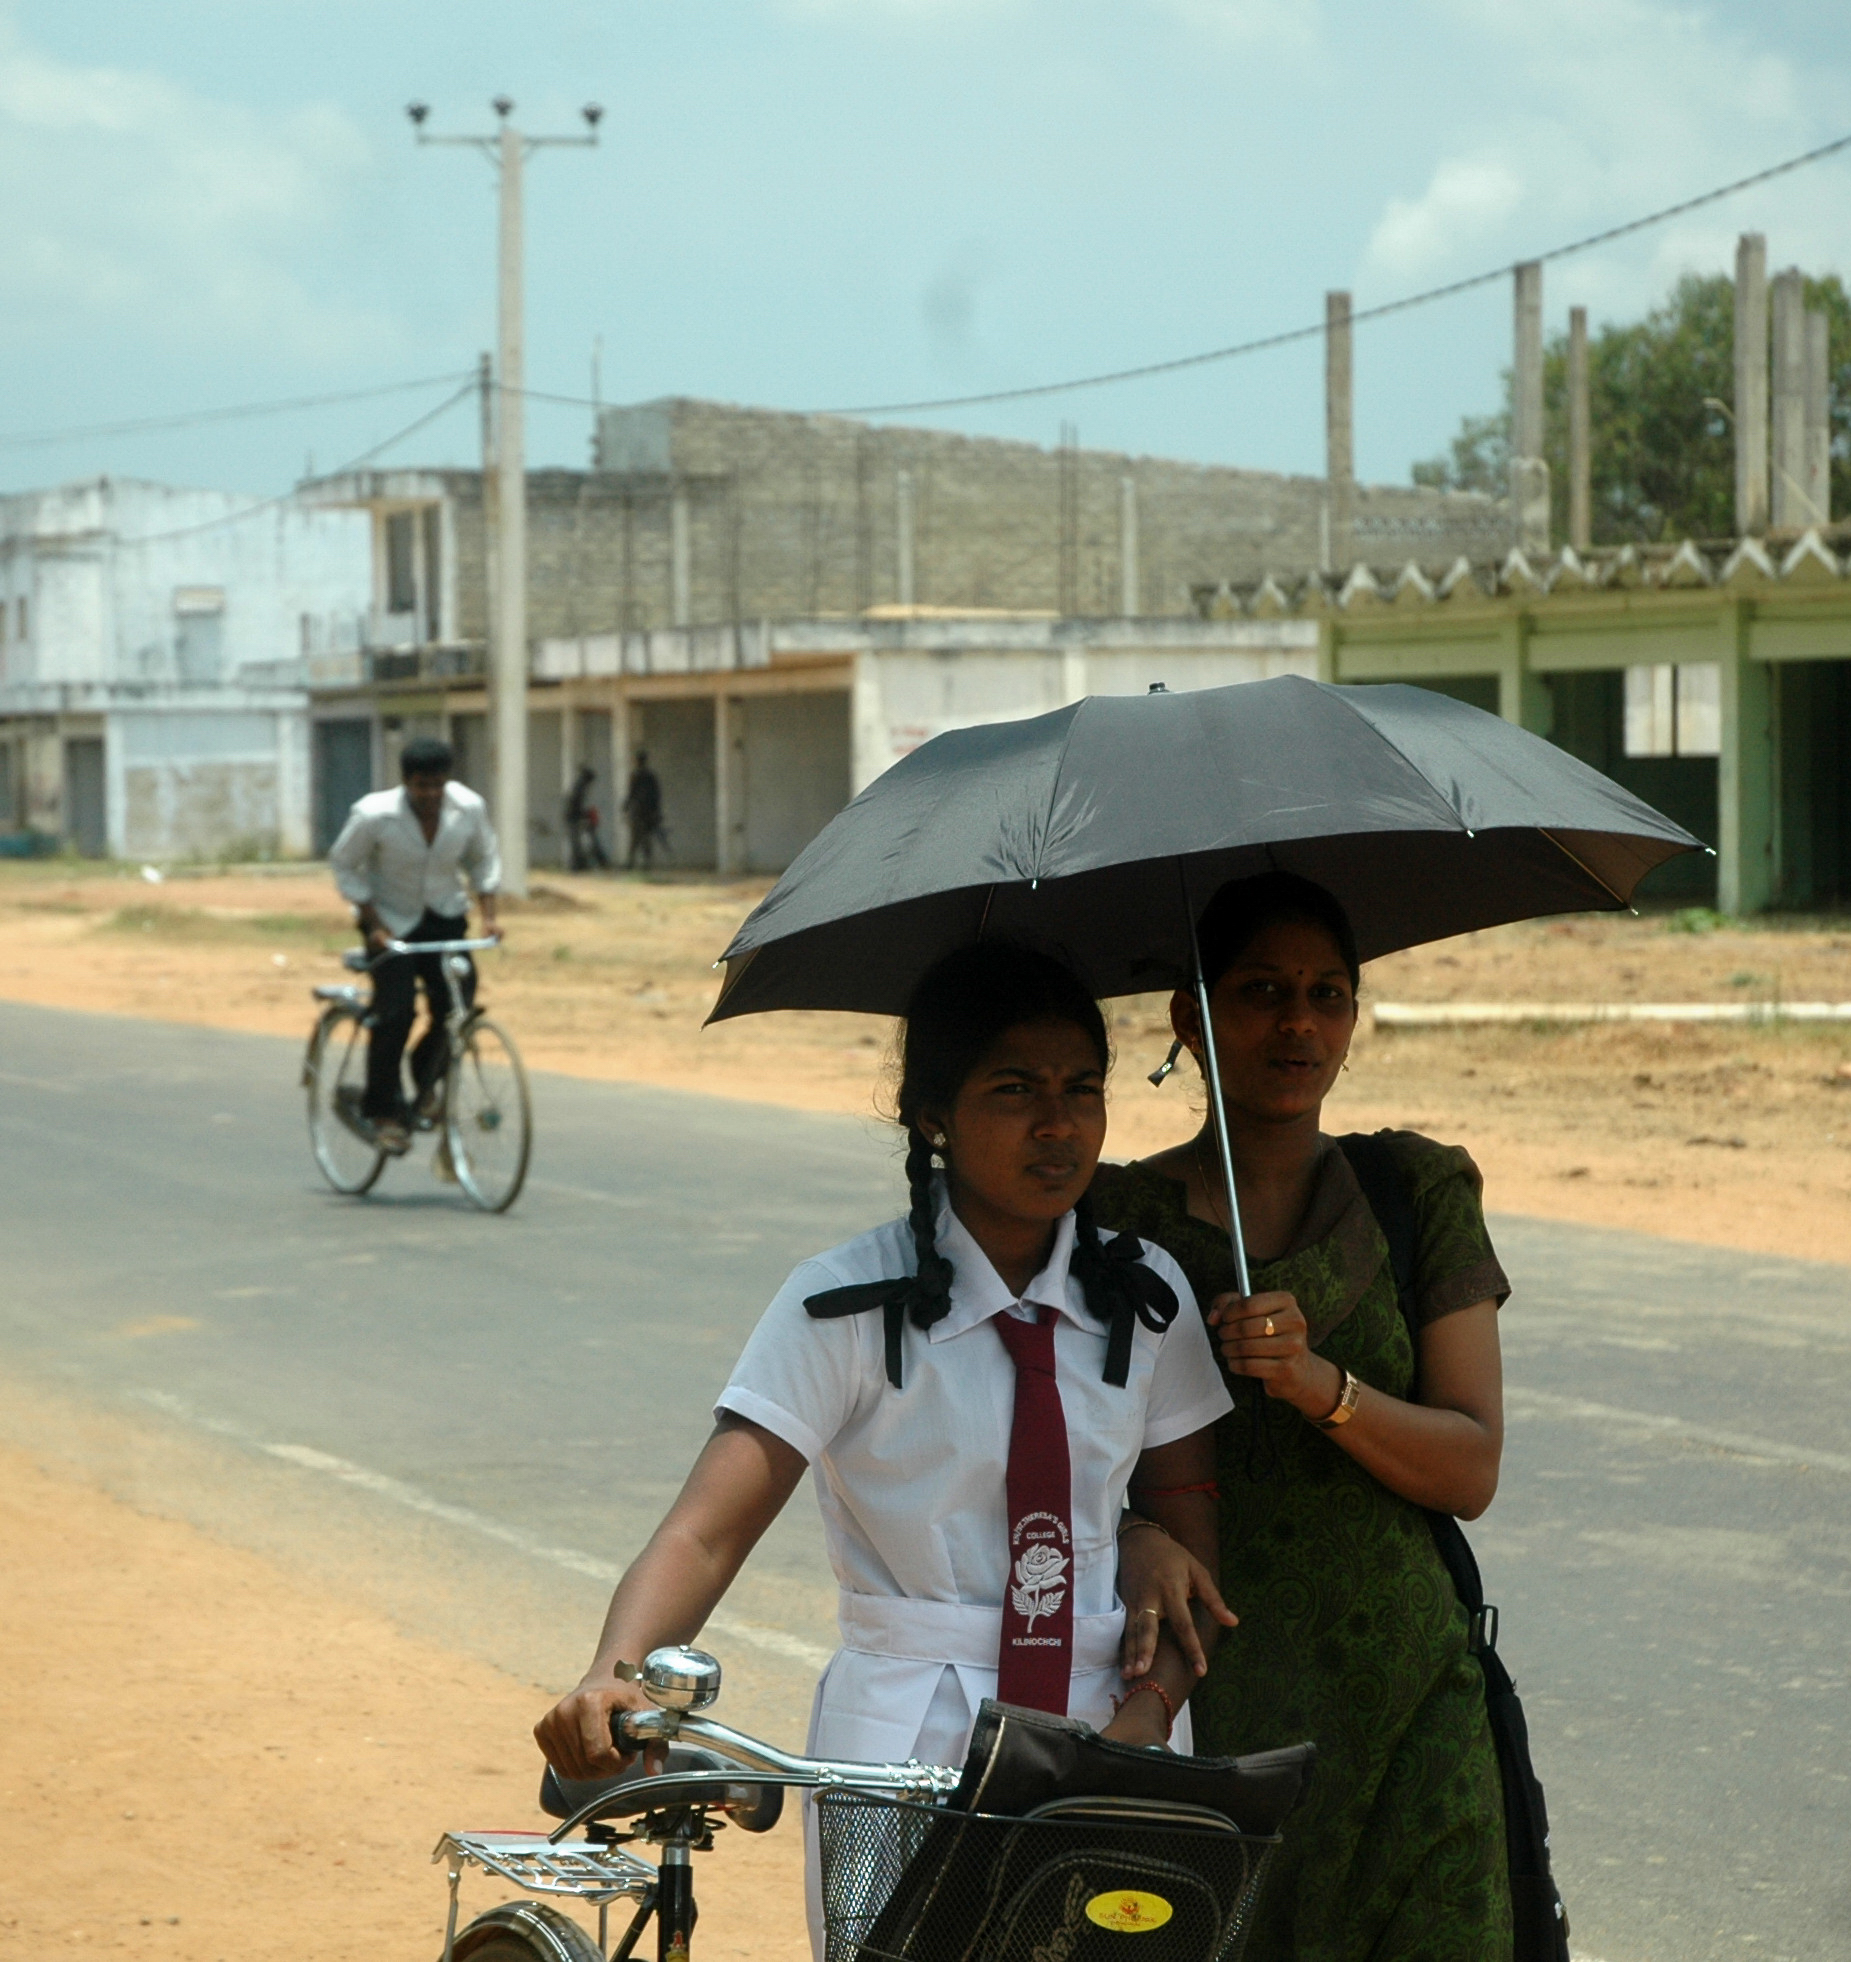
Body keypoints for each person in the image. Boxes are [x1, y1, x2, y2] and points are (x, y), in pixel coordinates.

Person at [533, 943, 1234, 1952]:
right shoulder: (846, 1305)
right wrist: (616, 1670)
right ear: (932, 1115)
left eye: (1084, 1089)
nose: (1059, 1123)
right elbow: (703, 1534)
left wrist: (1144, 1717)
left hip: (1114, 1727)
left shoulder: (1143, 1297)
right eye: (1015, 1089)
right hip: (909, 1738)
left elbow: (1189, 1551)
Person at [1095, 871, 1513, 1962]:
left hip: (1407, 1711)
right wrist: (1135, 1534)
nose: (1297, 1023)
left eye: (1327, 994)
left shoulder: (1413, 1194)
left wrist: (1321, 1387)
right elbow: (1058, 1457)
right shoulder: (1110, 1222)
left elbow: (1470, 1468)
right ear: (1190, 1018)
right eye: (1260, 991)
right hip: (1210, 1713)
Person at [326, 736, 503, 1154]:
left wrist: (490, 914)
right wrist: (374, 923)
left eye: (437, 786)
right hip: (391, 923)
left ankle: (424, 1080)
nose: (430, 795)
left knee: (456, 1006)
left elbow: (483, 858)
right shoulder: (374, 814)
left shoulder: (468, 808)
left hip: (443, 916)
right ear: (406, 783)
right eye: (422, 786)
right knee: (396, 1010)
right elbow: (344, 863)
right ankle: (382, 1109)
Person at [621, 749, 666, 870]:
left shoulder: (636, 776)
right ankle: (644, 863)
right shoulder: (650, 776)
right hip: (647, 812)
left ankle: (633, 863)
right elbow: (656, 795)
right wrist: (656, 811)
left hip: (639, 812)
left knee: (636, 839)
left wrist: (625, 807)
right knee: (644, 838)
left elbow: (631, 793)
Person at [564, 763, 603, 871]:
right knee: (576, 842)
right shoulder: (580, 788)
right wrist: (585, 816)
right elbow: (576, 805)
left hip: (574, 816)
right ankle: (577, 865)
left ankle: (579, 864)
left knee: (577, 842)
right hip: (573, 817)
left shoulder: (579, 786)